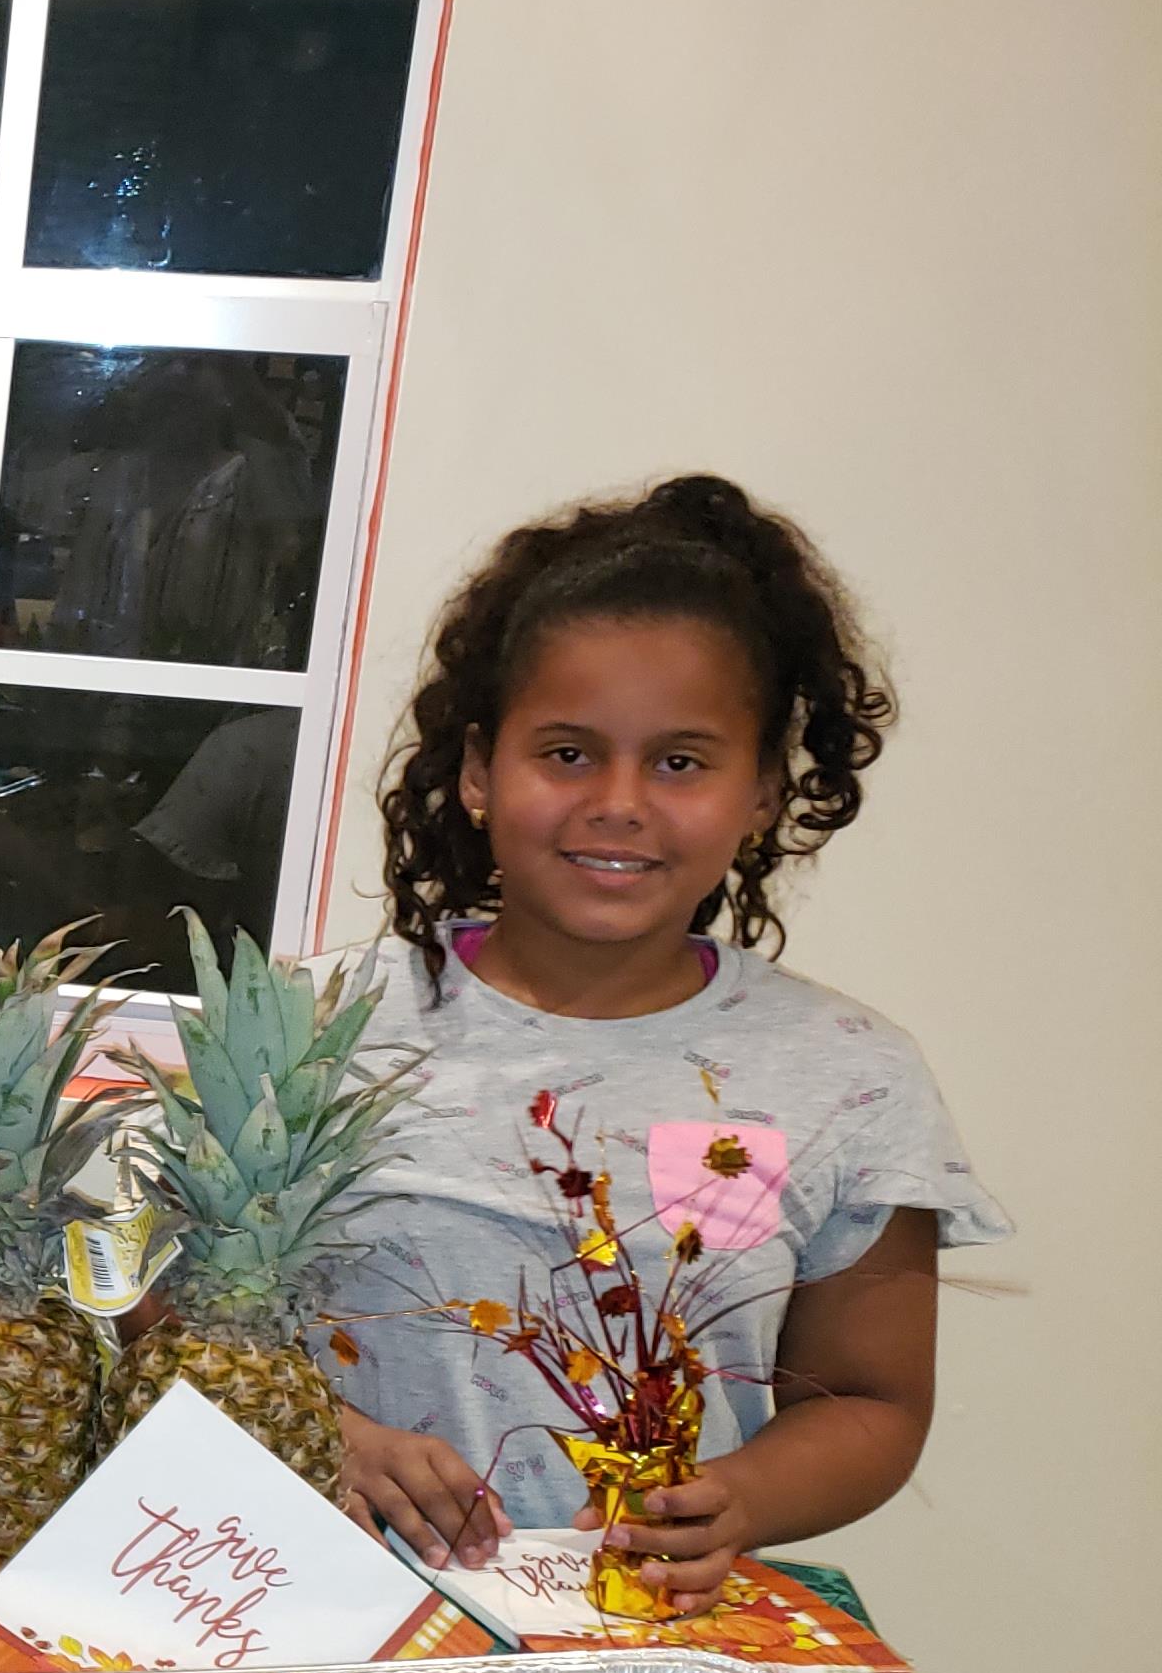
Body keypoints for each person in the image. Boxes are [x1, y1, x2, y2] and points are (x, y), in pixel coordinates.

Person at [327, 474, 1007, 1604]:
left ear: (763, 793)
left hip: (639, 1644)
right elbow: (160, 1324)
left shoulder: (851, 1074)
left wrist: (741, 1497)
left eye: (681, 762)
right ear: (481, 770)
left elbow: (871, 1399)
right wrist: (322, 1433)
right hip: (298, 1622)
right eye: (568, 753)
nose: (621, 802)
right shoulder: (315, 1027)